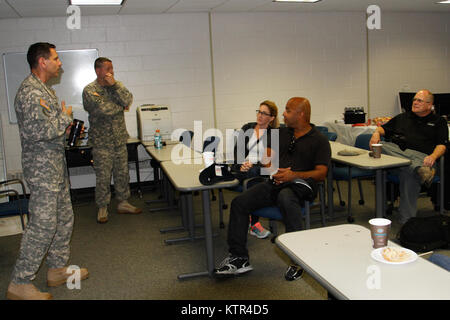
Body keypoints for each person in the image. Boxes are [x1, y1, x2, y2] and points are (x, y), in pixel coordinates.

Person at [215, 97, 331, 279]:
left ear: (300, 115)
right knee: (239, 203)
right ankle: (239, 258)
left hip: (302, 185)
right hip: (277, 182)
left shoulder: (319, 140)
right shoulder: (282, 133)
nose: (283, 114)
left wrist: (294, 175)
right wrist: (267, 164)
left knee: (286, 196)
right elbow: (269, 159)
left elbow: (321, 173)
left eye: (288, 110)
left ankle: (298, 259)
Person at [6, 42, 89, 300]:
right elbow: (38, 132)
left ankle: (56, 269)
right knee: (42, 225)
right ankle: (19, 282)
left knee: (64, 219)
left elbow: (50, 130)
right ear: (42, 62)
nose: (59, 63)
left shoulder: (46, 91)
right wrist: (65, 118)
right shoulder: (31, 92)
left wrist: (65, 130)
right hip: (42, 170)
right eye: (55, 58)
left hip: (55, 166)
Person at [369, 89, 448, 224]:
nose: (415, 103)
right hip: (401, 160)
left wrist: (433, 156)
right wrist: (376, 133)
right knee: (382, 145)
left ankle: (407, 222)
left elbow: (442, 145)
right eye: (414, 100)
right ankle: (416, 168)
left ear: (429, 105)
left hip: (425, 160)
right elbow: (384, 128)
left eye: (419, 100)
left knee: (408, 175)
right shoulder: (403, 117)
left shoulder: (438, 121)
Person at [83, 57, 142, 224]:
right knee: (103, 176)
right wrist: (120, 107)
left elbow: (128, 100)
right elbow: (102, 109)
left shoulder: (117, 86)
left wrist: (115, 86)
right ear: (98, 70)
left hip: (119, 139)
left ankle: (123, 202)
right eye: (108, 68)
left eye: (112, 68)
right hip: (102, 142)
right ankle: (102, 207)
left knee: (122, 173)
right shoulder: (89, 90)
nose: (111, 72)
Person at [232, 100, 279, 239]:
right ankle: (253, 224)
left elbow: (270, 159)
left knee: (253, 176)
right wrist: (242, 164)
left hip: (261, 169)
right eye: (259, 111)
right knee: (244, 173)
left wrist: (253, 164)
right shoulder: (247, 128)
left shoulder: (274, 134)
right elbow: (237, 151)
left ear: (271, 118)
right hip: (244, 167)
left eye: (264, 113)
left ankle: (252, 223)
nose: (260, 115)